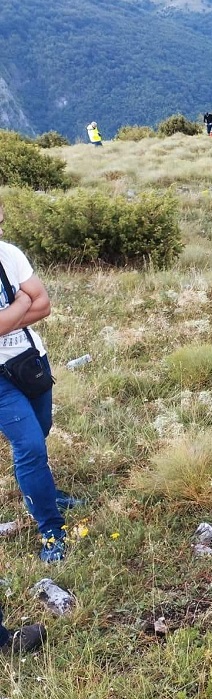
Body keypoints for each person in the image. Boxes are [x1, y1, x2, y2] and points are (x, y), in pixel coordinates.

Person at [0, 201, 79, 562]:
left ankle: (45, 490)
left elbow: (44, 304)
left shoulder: (9, 254)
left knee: (41, 429)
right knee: (30, 446)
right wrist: (19, 304)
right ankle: (51, 529)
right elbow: (26, 306)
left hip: (30, 362)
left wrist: (10, 315)